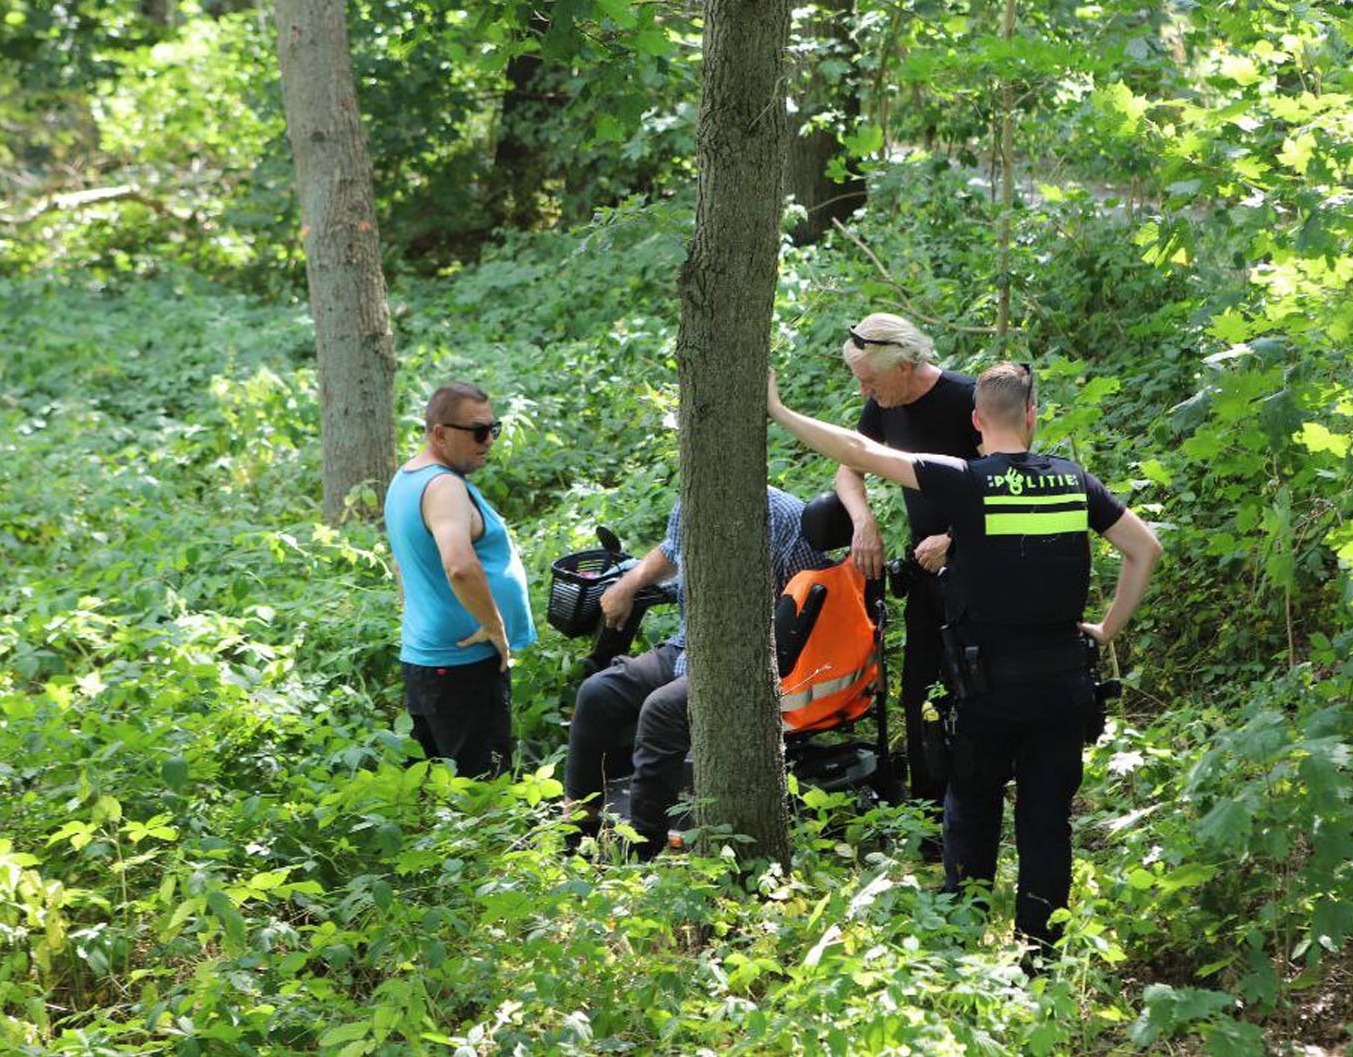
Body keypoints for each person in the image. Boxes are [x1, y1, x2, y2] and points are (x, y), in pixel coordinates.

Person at [768, 362, 1162, 956]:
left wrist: (778, 408)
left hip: (985, 693)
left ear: (977, 421)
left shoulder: (967, 482)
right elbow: (1144, 548)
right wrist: (1106, 629)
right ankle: (1039, 962)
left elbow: (858, 450)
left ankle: (961, 955)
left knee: (972, 815)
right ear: (1032, 415)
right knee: (1046, 825)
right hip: (1062, 687)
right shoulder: (1076, 483)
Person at [564, 487, 830, 858]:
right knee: (598, 693)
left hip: (747, 657)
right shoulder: (694, 492)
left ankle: (642, 849)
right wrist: (628, 584)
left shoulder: (784, 516)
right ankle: (578, 830)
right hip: (689, 643)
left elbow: (810, 597)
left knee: (661, 709)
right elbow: (672, 551)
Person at [834, 313, 983, 826]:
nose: (863, 390)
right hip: (923, 572)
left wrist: (957, 539)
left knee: (974, 690)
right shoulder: (882, 404)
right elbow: (847, 467)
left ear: (904, 365)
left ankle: (974, 810)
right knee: (917, 691)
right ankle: (927, 822)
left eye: (869, 380)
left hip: (978, 572)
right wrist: (863, 521)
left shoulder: (968, 400)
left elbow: (1007, 482)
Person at [384, 382, 537, 777]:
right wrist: (494, 625)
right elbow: (459, 565)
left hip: (428, 664)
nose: (489, 441)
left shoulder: (407, 479)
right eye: (478, 431)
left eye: (494, 429)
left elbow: (403, 564)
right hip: (461, 669)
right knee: (485, 790)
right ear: (440, 433)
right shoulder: (443, 488)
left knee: (445, 789)